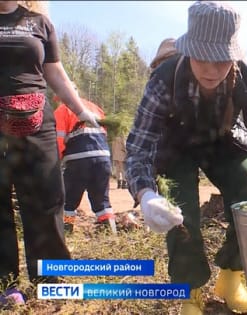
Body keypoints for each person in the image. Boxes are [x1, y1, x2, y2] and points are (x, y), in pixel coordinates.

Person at [125, 2, 247, 314]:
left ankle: (231, 276)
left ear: (234, 55)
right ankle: (190, 290)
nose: (212, 70)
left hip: (225, 141)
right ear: (188, 49)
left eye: (222, 60)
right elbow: (139, 147)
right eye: (202, 58)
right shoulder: (164, 79)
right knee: (178, 208)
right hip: (175, 148)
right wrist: (145, 194)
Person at [0, 0, 99, 306]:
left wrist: (80, 110)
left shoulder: (39, 23)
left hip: (37, 120)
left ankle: (50, 280)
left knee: (47, 197)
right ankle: (6, 285)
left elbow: (55, 74)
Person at [54, 83, 117, 234]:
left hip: (78, 161)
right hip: (103, 158)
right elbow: (104, 133)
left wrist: (55, 162)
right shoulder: (94, 107)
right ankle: (110, 232)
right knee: (102, 200)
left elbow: (58, 139)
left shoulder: (62, 110)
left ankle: (67, 231)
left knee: (69, 200)